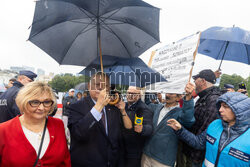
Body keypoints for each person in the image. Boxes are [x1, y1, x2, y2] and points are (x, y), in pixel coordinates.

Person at [168, 92, 250, 167]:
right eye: (220, 106)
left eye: (225, 107)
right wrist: (180, 130)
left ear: (240, 110)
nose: (220, 110)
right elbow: (198, 143)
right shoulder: (215, 124)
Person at [0, 81, 71, 166]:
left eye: (47, 102)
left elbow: (65, 161)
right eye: (35, 102)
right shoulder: (3, 130)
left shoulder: (58, 125)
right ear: (23, 102)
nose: (41, 108)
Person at [68, 72, 126, 167]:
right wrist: (98, 106)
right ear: (89, 86)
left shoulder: (113, 108)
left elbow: (118, 140)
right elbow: (78, 134)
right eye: (97, 84)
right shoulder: (76, 107)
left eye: (105, 85)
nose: (100, 88)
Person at [141, 83, 195, 167]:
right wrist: (148, 84)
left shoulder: (180, 113)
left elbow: (188, 121)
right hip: (147, 155)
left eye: (171, 93)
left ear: (179, 97)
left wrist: (188, 98)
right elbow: (146, 103)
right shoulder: (157, 107)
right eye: (167, 92)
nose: (167, 95)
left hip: (163, 160)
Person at [179, 69, 222, 167]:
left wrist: (179, 130)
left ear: (202, 81)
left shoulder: (214, 100)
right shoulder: (204, 97)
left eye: (195, 81)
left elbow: (203, 137)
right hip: (190, 150)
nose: (194, 84)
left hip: (196, 156)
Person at [121, 86, 153, 167]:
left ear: (139, 95)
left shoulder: (144, 109)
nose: (130, 95)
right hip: (121, 149)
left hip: (134, 153)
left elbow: (149, 128)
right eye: (129, 93)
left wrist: (143, 129)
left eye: (133, 93)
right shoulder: (123, 106)